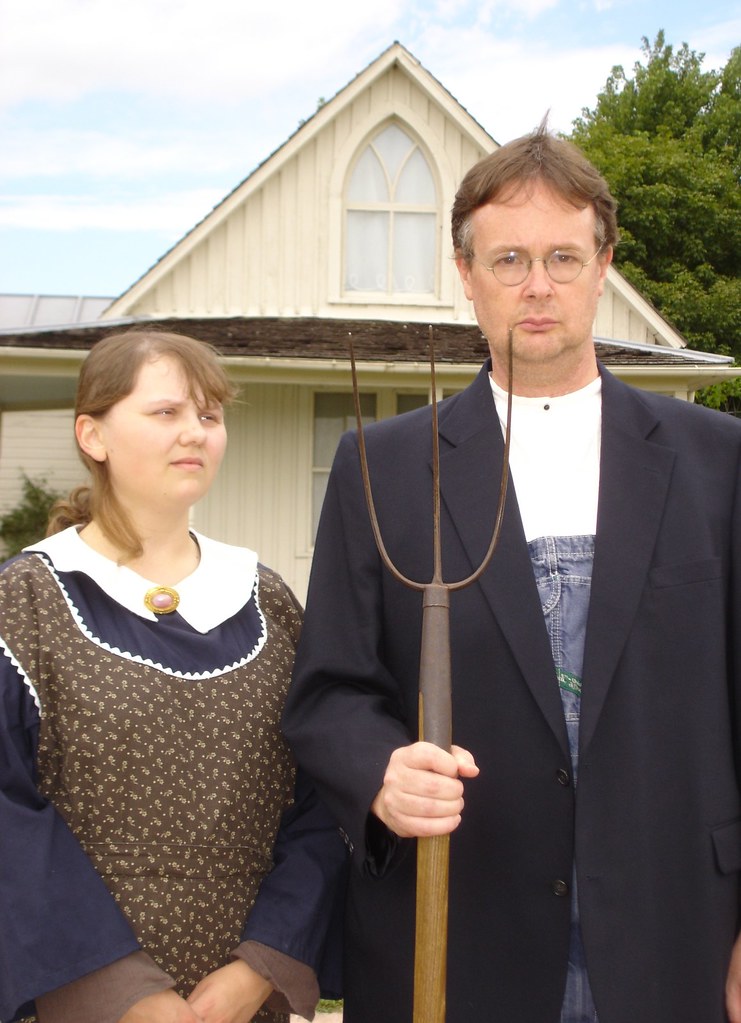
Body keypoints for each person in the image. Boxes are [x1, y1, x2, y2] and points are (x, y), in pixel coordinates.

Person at [282, 120, 741, 1023]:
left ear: (603, 265)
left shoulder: (716, 462)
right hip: (457, 939)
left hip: (673, 931)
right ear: (465, 276)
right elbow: (327, 690)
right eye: (508, 260)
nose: (538, 287)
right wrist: (381, 769)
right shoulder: (382, 464)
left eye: (563, 258)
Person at [0, 330, 346, 1023]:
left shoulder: (265, 598)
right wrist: (122, 992)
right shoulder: (26, 601)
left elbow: (323, 794)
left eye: (209, 415)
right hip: (83, 997)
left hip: (245, 1000)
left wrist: (260, 965)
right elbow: (8, 811)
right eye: (165, 412)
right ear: (91, 434)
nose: (195, 432)